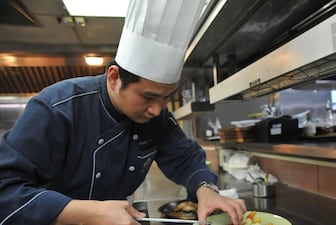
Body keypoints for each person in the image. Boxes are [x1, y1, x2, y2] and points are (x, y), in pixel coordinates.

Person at [0, 0, 246, 225]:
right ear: (114, 77)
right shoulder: (57, 108)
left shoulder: (156, 118)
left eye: (166, 98)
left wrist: (207, 191)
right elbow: (6, 191)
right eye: (148, 96)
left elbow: (185, 159)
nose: (157, 109)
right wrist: (91, 213)